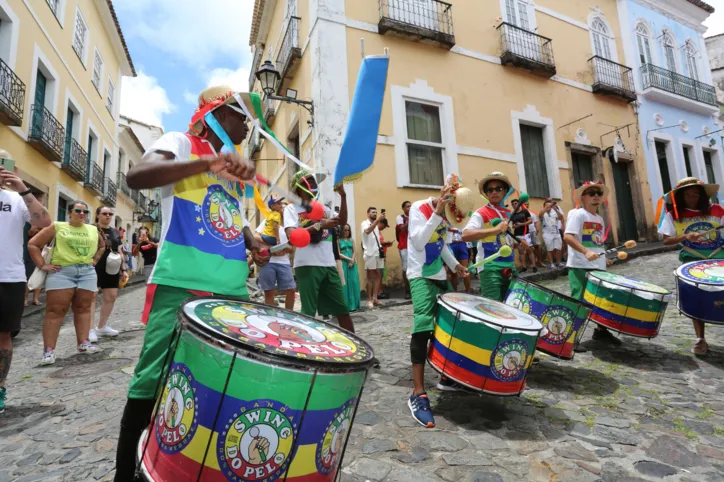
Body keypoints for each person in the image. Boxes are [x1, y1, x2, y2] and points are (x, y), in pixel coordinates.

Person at [113, 85, 263, 481]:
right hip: (182, 283)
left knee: (218, 381)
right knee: (151, 380)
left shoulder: (230, 172)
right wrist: (206, 164)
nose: (248, 124)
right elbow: (138, 175)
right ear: (217, 115)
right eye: (240, 115)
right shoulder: (180, 143)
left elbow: (231, 217)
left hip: (232, 291)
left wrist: (256, 241)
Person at [407, 182, 471, 428]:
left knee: (449, 325)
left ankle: (447, 376)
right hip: (420, 276)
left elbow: (441, 244)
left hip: (439, 276)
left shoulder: (443, 218)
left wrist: (455, 265)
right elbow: (419, 242)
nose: (448, 219)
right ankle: (418, 392)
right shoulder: (418, 208)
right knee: (423, 326)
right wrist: (437, 213)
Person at [0, 159, 51, 413]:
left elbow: (43, 222)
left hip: (8, 277)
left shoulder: (16, 199)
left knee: (4, 336)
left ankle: (0, 387)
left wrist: (23, 189)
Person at [29, 201, 105, 365]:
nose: (81, 214)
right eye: (78, 211)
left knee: (84, 309)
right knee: (55, 310)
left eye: (85, 212)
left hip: (87, 272)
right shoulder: (57, 226)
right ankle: (49, 351)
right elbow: (33, 244)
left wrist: (95, 260)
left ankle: (83, 343)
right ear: (70, 212)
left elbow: (102, 246)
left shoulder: (92, 229)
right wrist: (42, 264)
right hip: (62, 272)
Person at [658, 177, 724, 356]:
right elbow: (666, 240)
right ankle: (700, 339)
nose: (692, 198)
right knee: (697, 299)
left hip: (719, 259)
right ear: (681, 196)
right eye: (688, 195)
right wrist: (685, 237)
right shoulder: (674, 216)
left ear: (702, 195)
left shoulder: (717, 210)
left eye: (696, 194)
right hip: (692, 261)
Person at [283, 170, 354, 332]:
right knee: (308, 313)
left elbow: (342, 221)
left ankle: (358, 351)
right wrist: (320, 225)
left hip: (329, 264)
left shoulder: (322, 208)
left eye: (315, 182)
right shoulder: (291, 209)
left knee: (342, 310)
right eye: (310, 181)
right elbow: (292, 236)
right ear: (299, 186)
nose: (315, 185)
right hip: (307, 265)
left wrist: (343, 196)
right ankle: (306, 351)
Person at [564, 181, 616, 346]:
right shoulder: (577, 214)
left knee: (601, 300)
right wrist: (586, 252)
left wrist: (602, 258)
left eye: (598, 193)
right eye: (591, 193)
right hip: (580, 265)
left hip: (597, 266)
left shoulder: (599, 218)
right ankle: (570, 338)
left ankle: (601, 331)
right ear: (583, 197)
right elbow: (568, 237)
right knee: (578, 302)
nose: (595, 196)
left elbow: (596, 243)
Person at [463, 172, 520, 301]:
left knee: (513, 307)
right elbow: (465, 235)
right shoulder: (481, 213)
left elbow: (504, 240)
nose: (494, 192)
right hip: (490, 268)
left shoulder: (507, 213)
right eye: (490, 190)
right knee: (494, 310)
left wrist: (518, 245)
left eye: (498, 188)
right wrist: (494, 230)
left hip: (509, 266)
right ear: (486, 194)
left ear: (505, 191)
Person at [89, 206, 129, 343]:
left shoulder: (115, 233)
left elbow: (120, 251)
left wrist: (124, 269)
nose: (108, 216)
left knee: (111, 296)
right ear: (97, 215)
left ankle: (102, 326)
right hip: (93, 266)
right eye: (104, 213)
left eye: (110, 214)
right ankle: (89, 330)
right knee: (91, 297)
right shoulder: (90, 229)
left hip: (112, 266)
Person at [255, 218, 296, 310]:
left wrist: (285, 249)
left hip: (284, 262)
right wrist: (271, 247)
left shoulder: (290, 226)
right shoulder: (268, 220)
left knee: (291, 290)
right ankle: (271, 317)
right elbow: (256, 236)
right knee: (269, 291)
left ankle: (289, 316)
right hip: (268, 261)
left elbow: (293, 248)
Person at [361, 207, 385, 309]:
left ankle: (375, 298)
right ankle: (369, 300)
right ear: (368, 214)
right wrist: (377, 221)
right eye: (373, 212)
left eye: (376, 212)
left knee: (378, 275)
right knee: (370, 276)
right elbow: (367, 231)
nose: (375, 213)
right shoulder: (364, 223)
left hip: (377, 252)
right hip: (369, 253)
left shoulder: (376, 224)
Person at [338, 223, 361, 311]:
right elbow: (338, 253)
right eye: (345, 230)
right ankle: (346, 305)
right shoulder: (338, 240)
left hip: (352, 262)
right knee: (345, 283)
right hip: (344, 263)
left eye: (348, 230)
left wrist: (352, 259)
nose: (347, 232)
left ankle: (355, 304)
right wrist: (349, 259)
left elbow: (355, 251)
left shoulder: (351, 240)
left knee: (354, 281)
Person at [510, 199, 537, 273]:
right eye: (513, 204)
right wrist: (514, 226)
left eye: (515, 203)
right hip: (517, 234)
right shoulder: (513, 214)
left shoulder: (525, 211)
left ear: (519, 204)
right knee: (521, 251)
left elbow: (530, 221)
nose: (514, 205)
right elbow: (512, 225)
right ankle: (524, 266)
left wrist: (521, 224)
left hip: (525, 233)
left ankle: (534, 266)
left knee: (529, 249)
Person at [541, 198, 566, 268]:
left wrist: (555, 209)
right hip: (547, 234)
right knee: (550, 249)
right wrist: (547, 207)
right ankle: (551, 263)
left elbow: (561, 217)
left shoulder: (554, 213)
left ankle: (558, 262)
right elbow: (540, 215)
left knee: (558, 248)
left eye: (549, 205)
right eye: (547, 205)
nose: (549, 207)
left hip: (556, 233)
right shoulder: (543, 213)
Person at [396, 201, 412, 299]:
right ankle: (407, 290)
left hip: (414, 246)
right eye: (407, 207)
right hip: (404, 246)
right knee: (406, 269)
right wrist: (410, 219)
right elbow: (402, 228)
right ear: (403, 208)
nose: (409, 208)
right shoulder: (400, 218)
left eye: (411, 206)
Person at [24, 225, 42, 307]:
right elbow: (30, 233)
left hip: (41, 255)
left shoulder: (45, 230)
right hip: (30, 256)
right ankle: (25, 299)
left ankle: (35, 299)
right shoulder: (31, 228)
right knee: (28, 278)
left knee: (39, 278)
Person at [377, 218, 394, 299]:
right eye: (384, 226)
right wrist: (385, 243)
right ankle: (378, 292)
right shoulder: (375, 231)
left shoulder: (379, 232)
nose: (384, 228)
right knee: (378, 274)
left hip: (382, 255)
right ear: (380, 223)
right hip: (378, 256)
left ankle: (380, 290)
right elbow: (376, 243)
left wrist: (386, 244)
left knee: (381, 274)